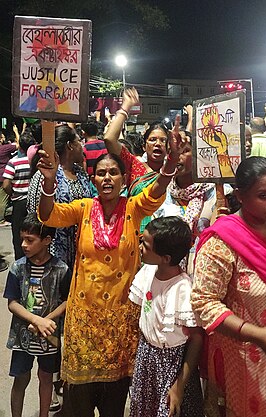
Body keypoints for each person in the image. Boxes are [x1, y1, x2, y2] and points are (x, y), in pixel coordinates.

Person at [36, 102, 181, 417]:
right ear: (95, 177)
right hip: (84, 323)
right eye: (100, 173)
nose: (106, 178)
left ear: (122, 176)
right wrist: (49, 182)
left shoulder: (133, 208)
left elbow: (156, 191)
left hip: (121, 324)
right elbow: (48, 215)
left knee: (115, 403)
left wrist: (169, 163)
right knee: (80, 406)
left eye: (113, 172)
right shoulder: (83, 208)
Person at [191, 156, 266, 416]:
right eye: (263, 196)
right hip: (246, 357)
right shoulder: (222, 242)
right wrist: (259, 335)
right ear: (239, 195)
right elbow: (203, 302)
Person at [129, 217, 204, 417]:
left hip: (172, 363)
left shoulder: (183, 289)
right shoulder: (148, 272)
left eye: (145, 244)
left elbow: (196, 338)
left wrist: (179, 386)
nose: (140, 247)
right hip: (147, 357)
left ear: (166, 258)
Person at [3, 213, 71, 417]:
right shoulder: (17, 267)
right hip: (22, 336)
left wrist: (46, 320)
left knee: (46, 378)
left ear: (47, 241)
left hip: (48, 337)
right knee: (20, 379)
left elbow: (68, 300)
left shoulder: (61, 269)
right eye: (22, 238)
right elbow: (12, 303)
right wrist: (35, 320)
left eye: (30, 240)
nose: (24, 244)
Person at [27, 124, 92, 271]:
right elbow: (35, 218)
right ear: (70, 146)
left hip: (80, 254)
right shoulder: (43, 176)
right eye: (79, 141)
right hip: (52, 256)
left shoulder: (80, 173)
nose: (82, 145)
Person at [3, 131, 36, 259]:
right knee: (34, 232)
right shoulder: (35, 161)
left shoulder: (14, 162)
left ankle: (20, 260)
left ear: (20, 146)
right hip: (33, 201)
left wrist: (12, 194)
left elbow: (6, 184)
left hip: (19, 202)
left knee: (18, 234)